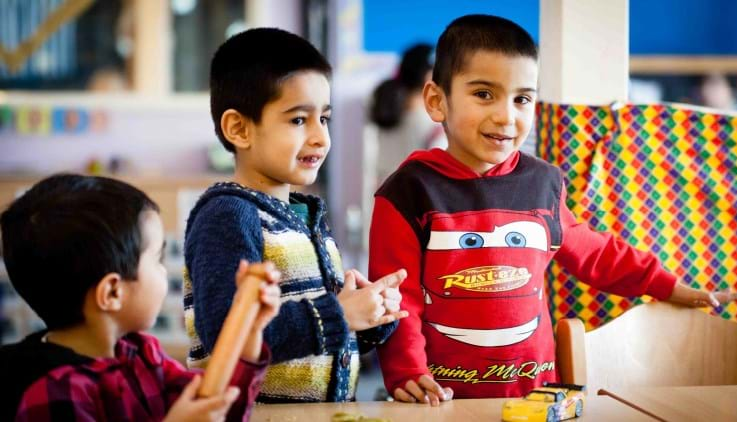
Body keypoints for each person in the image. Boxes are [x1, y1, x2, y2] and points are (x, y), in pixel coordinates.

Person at [368, 14, 737, 405]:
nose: (506, 116)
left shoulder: (543, 182)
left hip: (537, 399)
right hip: (441, 400)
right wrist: (408, 372)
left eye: (523, 99)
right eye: (484, 94)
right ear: (436, 100)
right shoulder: (407, 191)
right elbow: (397, 299)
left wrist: (669, 287)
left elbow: (596, 252)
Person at [183, 27, 408, 403]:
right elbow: (227, 335)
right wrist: (338, 313)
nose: (321, 137)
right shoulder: (227, 215)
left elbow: (318, 345)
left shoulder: (306, 217)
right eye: (299, 120)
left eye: (325, 118)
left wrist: (371, 316)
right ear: (239, 128)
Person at [0, 174, 280, 421]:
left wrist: (250, 329)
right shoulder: (54, 392)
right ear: (112, 293)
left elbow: (218, 407)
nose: (165, 271)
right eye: (157, 258)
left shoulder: (142, 356)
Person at [368, 43, 446, 186]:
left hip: (383, 197)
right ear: (428, 77)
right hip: (416, 202)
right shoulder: (434, 124)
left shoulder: (386, 111)